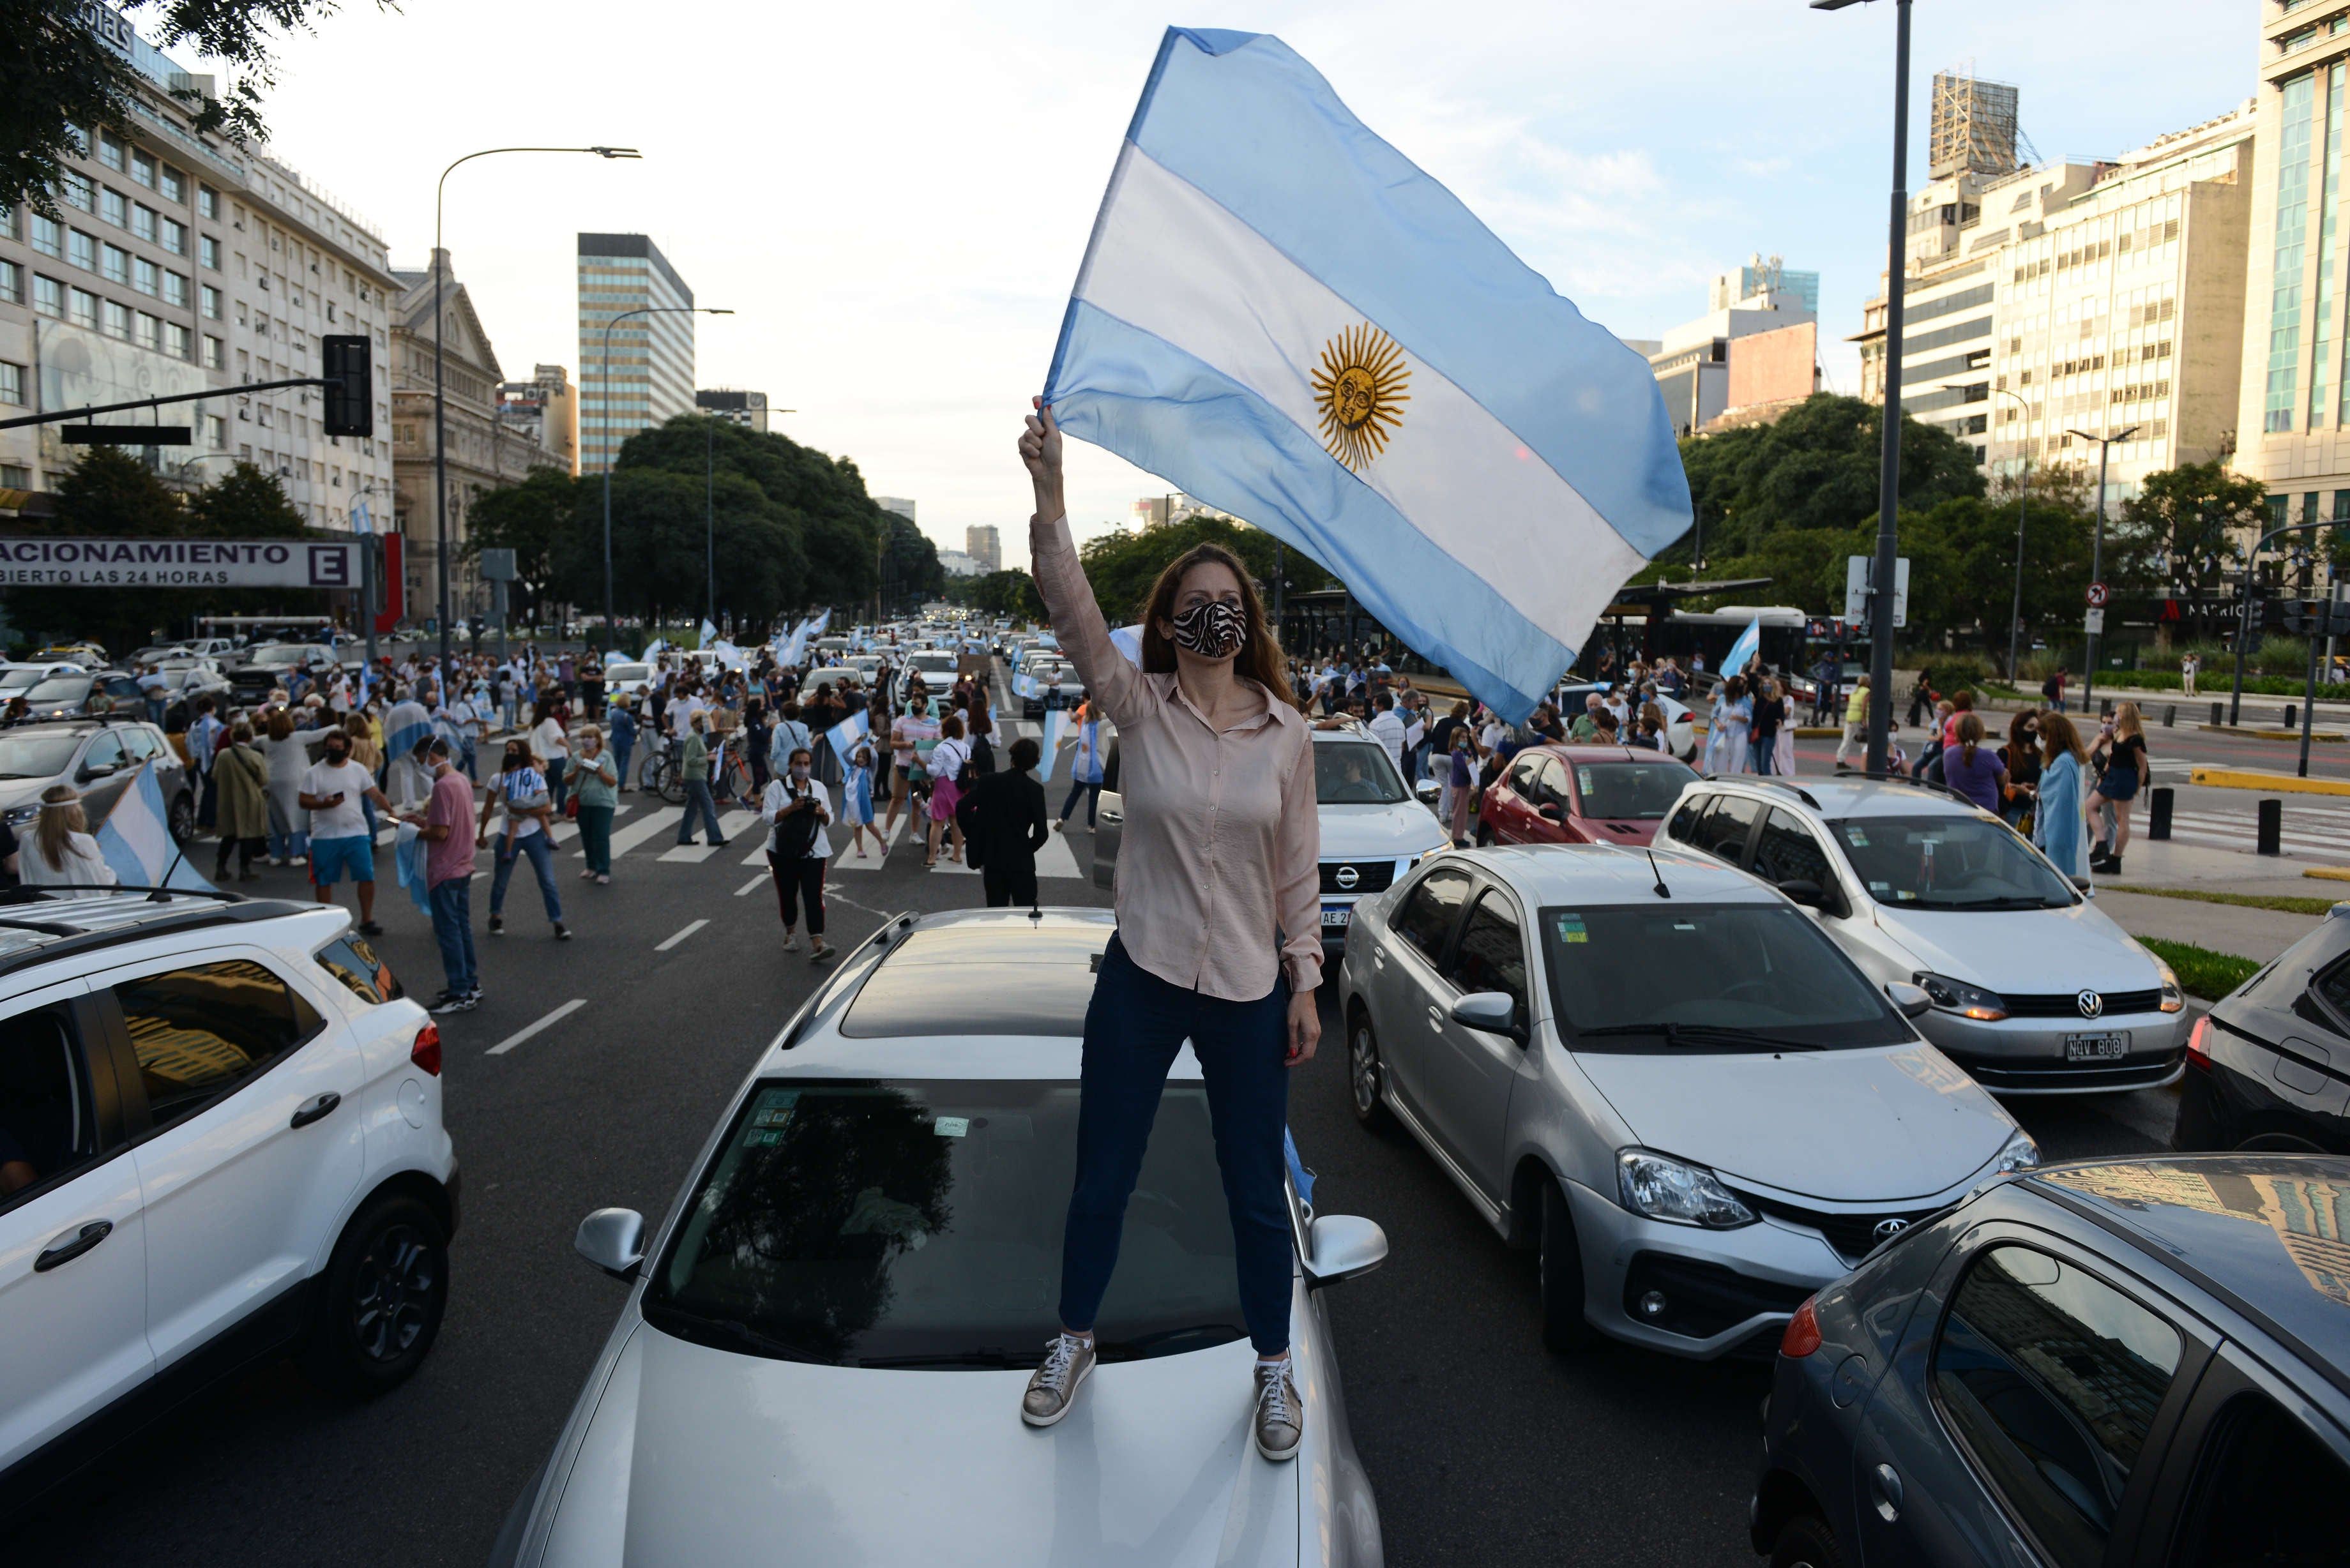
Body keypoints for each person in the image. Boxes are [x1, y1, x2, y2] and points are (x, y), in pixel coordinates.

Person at [1018, 400, 1319, 1463]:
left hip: (1244, 986)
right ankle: (1072, 1338)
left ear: (1248, 619)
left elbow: (1296, 867)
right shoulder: (1135, 706)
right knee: (1104, 1170)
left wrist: (1307, 979)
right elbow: (1069, 611)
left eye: (1226, 604)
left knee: (1251, 1190)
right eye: (1194, 605)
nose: (1210, 620)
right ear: (1169, 617)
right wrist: (1051, 495)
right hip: (1142, 976)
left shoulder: (1288, 737)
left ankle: (1273, 1373)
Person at [405, 736, 482, 1013]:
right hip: (464, 863)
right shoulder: (460, 780)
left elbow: (439, 832)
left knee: (448, 932)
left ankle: (459, 991)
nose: (420, 766)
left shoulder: (441, 787)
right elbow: (448, 820)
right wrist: (422, 821)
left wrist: (413, 832)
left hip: (445, 867)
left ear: (432, 757)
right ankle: (470, 983)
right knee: (462, 928)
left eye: (420, 760)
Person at [301, 724, 393, 936]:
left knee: (366, 876)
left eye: (337, 747)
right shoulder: (314, 773)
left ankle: (367, 919)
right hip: (324, 835)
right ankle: (326, 921)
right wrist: (324, 804)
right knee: (324, 880)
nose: (333, 750)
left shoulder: (357, 770)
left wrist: (391, 812)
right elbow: (303, 800)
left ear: (347, 749)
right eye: (330, 746)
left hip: (356, 833)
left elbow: (374, 794)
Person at [478, 739, 570, 939]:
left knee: (547, 880)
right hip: (507, 833)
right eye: (508, 750)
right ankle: (495, 916)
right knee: (501, 880)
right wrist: (482, 834)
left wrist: (521, 809)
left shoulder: (534, 777)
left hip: (534, 834)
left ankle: (557, 921)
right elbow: (487, 808)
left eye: (515, 750)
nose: (511, 753)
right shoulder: (498, 779)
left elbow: (546, 808)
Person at [956, 734, 1049, 907]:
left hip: (993, 858)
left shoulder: (989, 781)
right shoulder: (1035, 790)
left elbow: (962, 807)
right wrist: (1026, 848)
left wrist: (973, 833)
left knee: (995, 913)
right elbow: (1042, 833)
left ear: (1012, 756)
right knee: (1026, 913)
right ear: (1034, 762)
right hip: (1022, 862)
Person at [760, 745, 834, 960]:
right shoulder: (777, 787)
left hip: (815, 851)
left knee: (814, 896)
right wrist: (790, 809)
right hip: (782, 851)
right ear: (790, 766)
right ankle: (790, 932)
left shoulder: (819, 788)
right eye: (798, 764)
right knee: (788, 894)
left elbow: (830, 821)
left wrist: (820, 812)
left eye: (806, 764)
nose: (803, 768)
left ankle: (817, 942)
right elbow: (767, 817)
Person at [2087, 701, 2150, 875]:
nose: (2117, 717)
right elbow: (2113, 758)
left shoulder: (2135, 739)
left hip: (2125, 779)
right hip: (2112, 776)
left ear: (2127, 716)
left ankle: (2116, 859)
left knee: (2122, 819)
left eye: (2120, 714)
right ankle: (2102, 845)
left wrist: (2137, 787)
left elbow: (2142, 766)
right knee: (2089, 806)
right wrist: (2103, 776)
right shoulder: (2119, 733)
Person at [2033, 712, 2091, 880]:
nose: (2040, 742)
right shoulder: (2065, 759)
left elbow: (2057, 797)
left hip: (2056, 832)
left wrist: (2035, 794)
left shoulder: (2063, 763)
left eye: (2042, 737)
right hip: (2055, 830)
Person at [209, 721, 271, 882]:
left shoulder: (223, 755)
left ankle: (221, 867)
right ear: (250, 737)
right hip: (250, 800)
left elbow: (215, 776)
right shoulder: (255, 756)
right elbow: (264, 779)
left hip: (229, 799)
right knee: (249, 836)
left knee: (228, 836)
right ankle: (245, 869)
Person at [20, 787, 116, 889]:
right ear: (75, 812)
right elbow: (101, 882)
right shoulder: (82, 841)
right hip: (79, 903)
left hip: (43, 902)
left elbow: (27, 877)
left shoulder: (28, 839)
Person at [570, 723, 619, 884]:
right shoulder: (576, 757)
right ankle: (591, 866)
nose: (586, 741)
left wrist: (601, 773)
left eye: (590, 737)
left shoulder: (606, 757)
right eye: (584, 737)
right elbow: (566, 779)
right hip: (583, 802)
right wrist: (576, 771)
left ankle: (603, 869)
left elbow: (612, 782)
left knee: (601, 836)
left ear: (598, 739)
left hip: (603, 802)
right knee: (587, 835)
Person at [674, 709, 726, 848]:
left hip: (696, 775)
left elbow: (695, 755)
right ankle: (715, 837)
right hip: (695, 776)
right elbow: (691, 760)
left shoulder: (696, 736)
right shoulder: (693, 737)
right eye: (703, 722)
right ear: (696, 723)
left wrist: (708, 754)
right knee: (708, 805)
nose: (705, 725)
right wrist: (707, 758)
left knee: (691, 808)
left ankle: (684, 836)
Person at [927, 712, 971, 868]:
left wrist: (919, 762)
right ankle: (957, 855)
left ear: (945, 729)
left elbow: (934, 771)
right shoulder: (965, 747)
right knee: (956, 823)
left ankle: (932, 857)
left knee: (937, 823)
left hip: (943, 786)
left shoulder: (941, 748)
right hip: (960, 788)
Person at [1940, 712, 2007, 814]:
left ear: (1957, 732)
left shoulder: (1948, 754)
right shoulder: (1988, 756)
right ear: (1980, 733)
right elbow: (2002, 780)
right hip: (1985, 809)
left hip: (1957, 806)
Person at [1057, 701, 1106, 831]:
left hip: (1081, 765)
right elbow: (1112, 719)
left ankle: (1062, 818)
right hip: (1095, 766)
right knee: (1094, 797)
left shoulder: (1084, 721)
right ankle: (1091, 825)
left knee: (1075, 793)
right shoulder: (1100, 725)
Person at [1997, 710, 2043, 829]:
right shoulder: (2006, 753)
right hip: (2011, 809)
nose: (2035, 731)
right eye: (2030, 727)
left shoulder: (2040, 755)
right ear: (2019, 728)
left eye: (2037, 727)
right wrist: (2016, 788)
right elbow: (1998, 781)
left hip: (2033, 811)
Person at [1703, 675, 1751, 774]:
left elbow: (1749, 719)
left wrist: (1738, 718)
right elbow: (1714, 714)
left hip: (1739, 734)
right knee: (1720, 759)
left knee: (1738, 758)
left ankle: (1735, 780)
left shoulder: (1746, 701)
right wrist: (1718, 724)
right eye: (1739, 685)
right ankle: (1720, 778)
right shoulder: (1722, 699)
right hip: (1723, 734)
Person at [533, 698, 571, 815]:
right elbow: (556, 739)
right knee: (562, 785)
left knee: (548, 787)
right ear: (549, 708)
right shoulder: (550, 721)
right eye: (554, 707)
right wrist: (568, 746)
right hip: (555, 758)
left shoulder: (535, 722)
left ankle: (547, 812)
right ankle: (562, 811)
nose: (555, 709)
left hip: (541, 759)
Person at [1749, 677, 1785, 776]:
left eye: (1769, 683)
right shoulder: (1759, 698)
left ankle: (1769, 785)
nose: (1767, 686)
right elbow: (1751, 681)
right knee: (1759, 765)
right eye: (1764, 684)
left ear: (1773, 685)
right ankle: (1762, 784)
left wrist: (1780, 721)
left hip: (1769, 734)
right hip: (1757, 734)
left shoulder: (1778, 700)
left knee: (1765, 763)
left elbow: (1781, 715)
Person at [1446, 727, 1475, 845]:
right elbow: (1465, 769)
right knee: (1459, 812)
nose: (1465, 740)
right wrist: (1471, 768)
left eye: (1466, 737)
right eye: (1462, 737)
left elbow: (1471, 763)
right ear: (1456, 739)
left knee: (1464, 812)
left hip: (1466, 784)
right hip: (1459, 785)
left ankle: (1460, 835)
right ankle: (1457, 837)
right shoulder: (1456, 754)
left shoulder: (1465, 752)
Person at [1835, 672, 1870, 771]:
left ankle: (1840, 760)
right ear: (1866, 682)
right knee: (1864, 741)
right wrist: (1864, 721)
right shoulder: (1867, 691)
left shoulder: (1855, 691)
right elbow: (1863, 707)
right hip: (1858, 719)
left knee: (1846, 740)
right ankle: (1867, 761)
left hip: (1849, 718)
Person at [609, 695, 639, 793]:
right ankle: (621, 785)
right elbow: (632, 731)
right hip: (625, 740)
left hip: (615, 739)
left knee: (616, 761)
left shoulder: (613, 713)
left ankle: (614, 782)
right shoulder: (627, 716)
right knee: (624, 762)